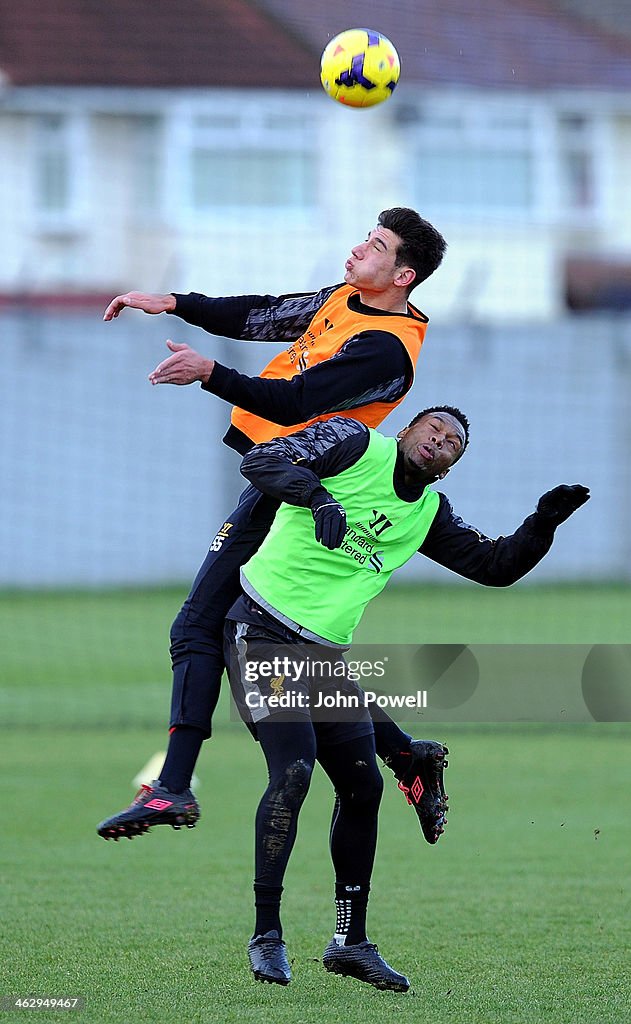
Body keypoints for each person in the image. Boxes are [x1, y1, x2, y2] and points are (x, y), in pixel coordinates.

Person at [97, 208, 453, 841]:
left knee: (197, 627)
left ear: (403, 274)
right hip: (280, 480)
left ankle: (173, 789)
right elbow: (263, 313)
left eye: (374, 246)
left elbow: (294, 402)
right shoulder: (346, 299)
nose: (356, 250)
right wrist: (173, 302)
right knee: (292, 660)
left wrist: (211, 373)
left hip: (300, 489)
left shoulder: (385, 350)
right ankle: (405, 753)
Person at [219, 407, 590, 988]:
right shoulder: (355, 446)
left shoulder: (426, 514)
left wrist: (542, 522)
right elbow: (260, 459)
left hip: (322, 657)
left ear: (448, 468)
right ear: (407, 431)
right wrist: (317, 497)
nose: (439, 442)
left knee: (364, 785)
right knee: (292, 772)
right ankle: (267, 935)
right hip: (261, 634)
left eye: (452, 444)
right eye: (433, 429)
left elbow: (494, 566)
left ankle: (350, 942)